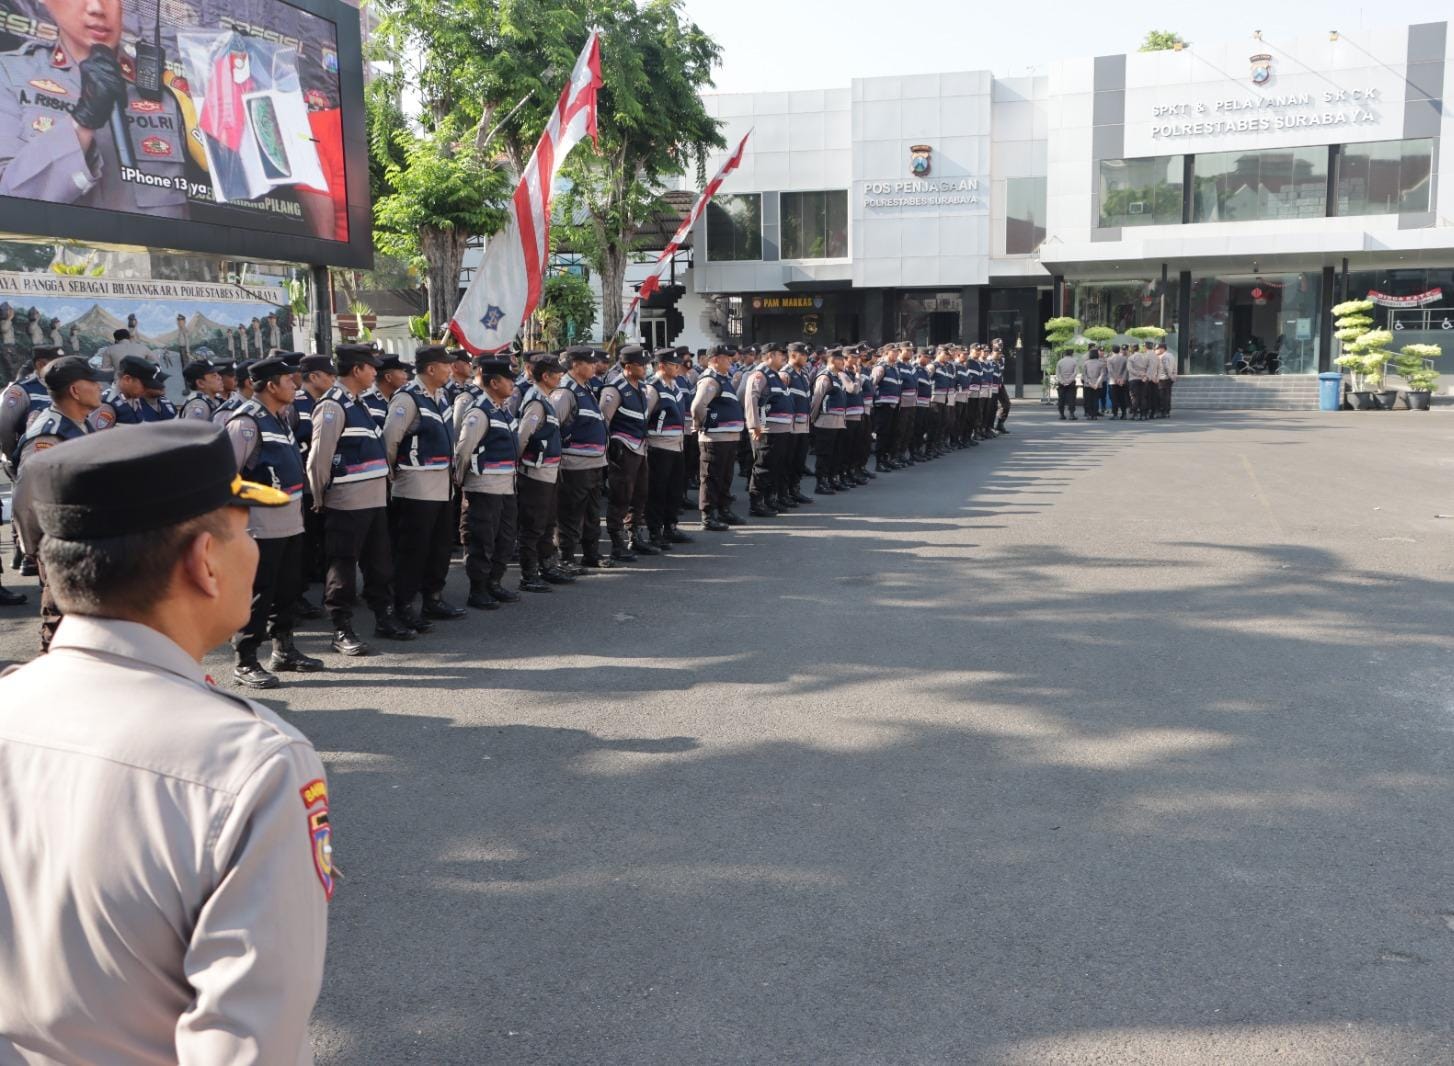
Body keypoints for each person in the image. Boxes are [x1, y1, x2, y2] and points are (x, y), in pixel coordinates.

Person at [0, 422, 328, 1063]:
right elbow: (246, 1045)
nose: (256, 551)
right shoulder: (250, 764)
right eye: (247, 532)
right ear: (204, 562)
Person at [0, 0, 187, 218]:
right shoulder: (9, 74)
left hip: (150, 250)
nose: (97, 7)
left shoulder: (169, 91)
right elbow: (8, 202)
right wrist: (81, 124)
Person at [306, 343, 415, 653]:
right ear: (356, 370)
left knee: (379, 565)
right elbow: (318, 458)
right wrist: (319, 497)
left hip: (374, 500)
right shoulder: (333, 406)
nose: (374, 373)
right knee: (342, 568)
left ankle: (384, 618)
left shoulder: (359, 403)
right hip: (347, 501)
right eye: (370, 368)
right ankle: (341, 629)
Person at [224, 356, 324, 688]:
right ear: (270, 386)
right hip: (259, 527)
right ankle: (245, 660)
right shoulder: (246, 423)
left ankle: (284, 650)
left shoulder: (280, 418)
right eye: (288, 381)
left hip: (290, 522)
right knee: (257, 595)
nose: (295, 386)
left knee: (287, 591)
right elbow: (225, 479)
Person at [15, 355, 105, 647]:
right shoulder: (48, 436)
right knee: (62, 632)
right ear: (75, 391)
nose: (100, 387)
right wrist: (36, 551)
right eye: (93, 381)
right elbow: (26, 500)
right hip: (62, 549)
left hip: (87, 545)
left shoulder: (80, 425)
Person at [382, 345, 466, 630]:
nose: (450, 369)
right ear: (431, 369)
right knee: (413, 549)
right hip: (415, 486)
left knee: (439, 546)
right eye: (446, 364)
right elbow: (390, 440)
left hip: (442, 485)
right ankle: (404, 604)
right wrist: (394, 473)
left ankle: (433, 597)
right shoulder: (407, 398)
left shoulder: (440, 397)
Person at [453, 355, 521, 609]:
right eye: (508, 380)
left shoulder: (501, 410)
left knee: (504, 538)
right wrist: (460, 482)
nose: (512, 385)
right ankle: (478, 589)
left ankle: (494, 582)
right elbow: (463, 450)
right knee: (481, 538)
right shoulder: (479, 411)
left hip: (506, 486)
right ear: (494, 382)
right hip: (483, 487)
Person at [598, 344, 659, 562]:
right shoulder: (614, 390)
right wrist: (611, 450)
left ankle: (635, 536)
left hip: (640, 448)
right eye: (642, 365)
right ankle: (617, 542)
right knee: (620, 497)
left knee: (640, 494)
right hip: (623, 449)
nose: (646, 368)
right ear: (629, 366)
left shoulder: (642, 388)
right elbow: (604, 422)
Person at [550, 348, 606, 579]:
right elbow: (553, 426)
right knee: (570, 514)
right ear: (575, 365)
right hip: (573, 465)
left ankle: (591, 554)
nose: (595, 366)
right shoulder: (565, 392)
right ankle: (566, 558)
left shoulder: (586, 389)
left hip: (594, 463)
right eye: (589, 363)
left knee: (592, 513)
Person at [513, 353, 566, 591]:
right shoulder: (535, 401)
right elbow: (523, 436)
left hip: (549, 470)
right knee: (534, 525)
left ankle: (548, 566)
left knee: (547, 522)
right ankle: (529, 573)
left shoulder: (546, 398)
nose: (561, 377)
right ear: (545, 376)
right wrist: (519, 466)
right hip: (535, 472)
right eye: (557, 373)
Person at [691, 346, 747, 531]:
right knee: (711, 477)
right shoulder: (710, 380)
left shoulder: (724, 379)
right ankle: (708, 515)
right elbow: (698, 406)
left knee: (725, 476)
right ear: (714, 360)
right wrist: (702, 426)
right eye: (727, 358)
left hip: (728, 437)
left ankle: (724, 509)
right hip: (714, 438)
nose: (730, 361)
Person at [642, 348, 693, 548]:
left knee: (674, 490)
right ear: (661, 365)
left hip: (677, 445)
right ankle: (655, 532)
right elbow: (643, 417)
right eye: (673, 365)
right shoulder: (652, 388)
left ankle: (670, 527)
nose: (677, 367)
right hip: (658, 447)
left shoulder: (675, 386)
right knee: (657, 491)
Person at [742, 342, 793, 515]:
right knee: (763, 467)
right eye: (780, 354)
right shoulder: (759, 375)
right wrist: (754, 425)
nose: (783, 358)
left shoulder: (776, 375)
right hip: (766, 430)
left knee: (776, 466)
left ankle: (769, 499)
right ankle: (756, 503)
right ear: (770, 356)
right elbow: (750, 399)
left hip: (780, 430)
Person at [0, 343, 60, 469]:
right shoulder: (22, 390)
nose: (63, 368)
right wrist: (13, 457)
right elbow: (5, 428)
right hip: (34, 463)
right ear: (40, 365)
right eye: (58, 364)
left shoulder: (66, 386)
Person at [88, 354, 171, 429]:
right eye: (144, 385)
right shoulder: (108, 406)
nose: (145, 389)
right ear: (127, 379)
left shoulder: (133, 398)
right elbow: (93, 441)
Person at [809, 347, 849, 495]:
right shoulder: (824, 377)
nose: (843, 362)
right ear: (833, 361)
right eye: (841, 359)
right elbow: (816, 400)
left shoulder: (837, 376)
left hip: (838, 421)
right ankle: (821, 482)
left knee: (836, 453)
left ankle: (832, 479)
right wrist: (813, 419)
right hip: (826, 421)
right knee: (824, 454)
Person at [783, 342, 815, 503]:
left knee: (799, 460)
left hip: (803, 424)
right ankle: (784, 492)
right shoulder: (785, 374)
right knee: (788, 460)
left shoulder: (803, 374)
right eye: (803, 355)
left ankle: (794, 489)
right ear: (793, 355)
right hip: (791, 425)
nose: (806, 358)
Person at [871, 345, 902, 472]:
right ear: (886, 353)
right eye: (893, 352)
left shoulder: (894, 368)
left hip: (893, 404)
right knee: (882, 434)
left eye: (897, 352)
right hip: (883, 405)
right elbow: (872, 384)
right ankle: (879, 462)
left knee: (891, 433)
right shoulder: (881, 367)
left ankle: (886, 459)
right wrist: (876, 401)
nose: (896, 354)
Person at [363, 354, 410, 426]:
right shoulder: (368, 403)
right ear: (388, 377)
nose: (406, 376)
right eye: (401, 372)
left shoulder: (396, 397)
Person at [1127, 344, 1153, 421]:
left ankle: (1135, 414)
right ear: (1139, 349)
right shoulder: (1145, 357)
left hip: (1134, 379)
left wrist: (1138, 374)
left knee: (1135, 397)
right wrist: (1146, 376)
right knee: (1143, 397)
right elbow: (1150, 367)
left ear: (1132, 349)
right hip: (1144, 379)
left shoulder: (1131, 357)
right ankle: (1143, 415)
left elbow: (1129, 369)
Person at [1053, 349, 1080, 421]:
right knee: (1071, 398)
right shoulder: (1074, 361)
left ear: (1064, 354)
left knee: (1061, 398)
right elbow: (1075, 372)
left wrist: (1062, 381)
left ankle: (1061, 414)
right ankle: (1071, 414)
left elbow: (1057, 373)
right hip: (1071, 382)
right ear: (1072, 354)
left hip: (1062, 383)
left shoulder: (1060, 361)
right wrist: (1069, 380)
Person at [1082, 347, 1107, 420]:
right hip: (1097, 385)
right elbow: (1102, 374)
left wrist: (1089, 382)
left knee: (1089, 400)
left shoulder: (1086, 363)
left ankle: (1089, 415)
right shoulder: (1101, 363)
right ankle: (1095, 415)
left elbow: (1084, 375)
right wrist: (1096, 383)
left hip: (1088, 384)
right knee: (1096, 400)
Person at [1106, 344, 1130, 420]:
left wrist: (1116, 379)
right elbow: (1126, 370)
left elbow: (1110, 370)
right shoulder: (1124, 359)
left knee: (1114, 399)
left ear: (1112, 350)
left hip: (1113, 381)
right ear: (1119, 350)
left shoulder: (1109, 359)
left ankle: (1115, 414)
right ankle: (1124, 414)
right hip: (1122, 381)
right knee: (1122, 398)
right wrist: (1122, 379)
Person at [1156, 342, 1177, 418]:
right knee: (1168, 395)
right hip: (1169, 379)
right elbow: (1175, 366)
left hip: (1163, 378)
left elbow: (1167, 367)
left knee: (1161, 396)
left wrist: (1171, 376)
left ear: (1162, 349)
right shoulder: (1171, 355)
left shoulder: (1163, 357)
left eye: (1158, 348)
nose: (1157, 350)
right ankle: (1167, 411)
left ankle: (1163, 411)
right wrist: (1174, 375)